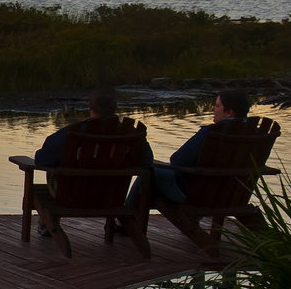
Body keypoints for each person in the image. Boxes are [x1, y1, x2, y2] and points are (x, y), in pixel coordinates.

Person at [32, 87, 151, 234]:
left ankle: (48, 222)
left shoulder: (73, 132)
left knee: (54, 169)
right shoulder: (133, 134)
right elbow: (147, 163)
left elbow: (42, 160)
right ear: (115, 107)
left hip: (70, 197)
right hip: (112, 197)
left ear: (90, 106)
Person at [148, 87, 262, 222]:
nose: (213, 109)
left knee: (149, 172)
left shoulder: (212, 133)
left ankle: (128, 222)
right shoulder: (257, 134)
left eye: (218, 106)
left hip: (200, 196)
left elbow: (177, 160)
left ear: (229, 112)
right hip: (235, 196)